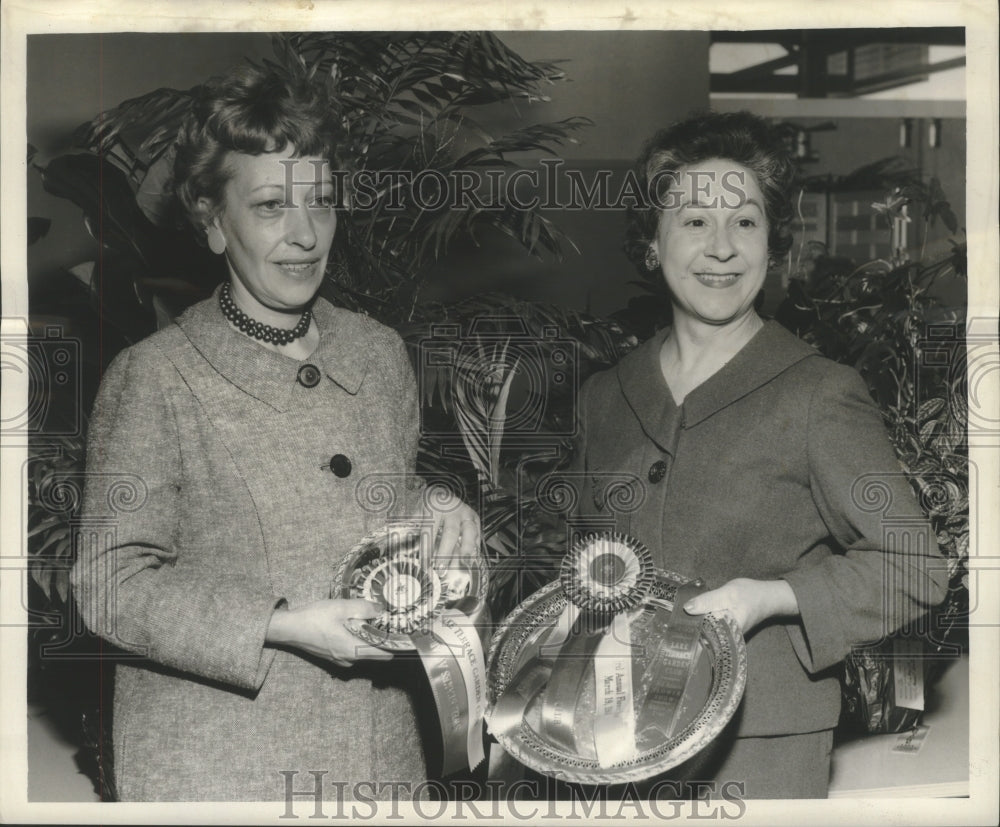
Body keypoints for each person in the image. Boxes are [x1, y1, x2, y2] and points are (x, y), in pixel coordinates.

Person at [70, 64, 480, 802]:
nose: (305, 233)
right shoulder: (157, 377)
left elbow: (378, 497)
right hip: (223, 768)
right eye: (268, 206)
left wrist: (437, 505)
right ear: (212, 221)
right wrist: (281, 624)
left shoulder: (377, 352)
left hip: (379, 762)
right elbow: (107, 582)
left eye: (321, 201)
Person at [570, 110, 948, 798]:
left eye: (744, 221)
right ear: (652, 243)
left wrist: (769, 597)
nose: (722, 247)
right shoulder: (604, 395)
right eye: (693, 221)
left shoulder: (819, 394)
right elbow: (591, 570)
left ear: (773, 246)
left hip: (758, 757)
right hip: (615, 745)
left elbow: (915, 567)